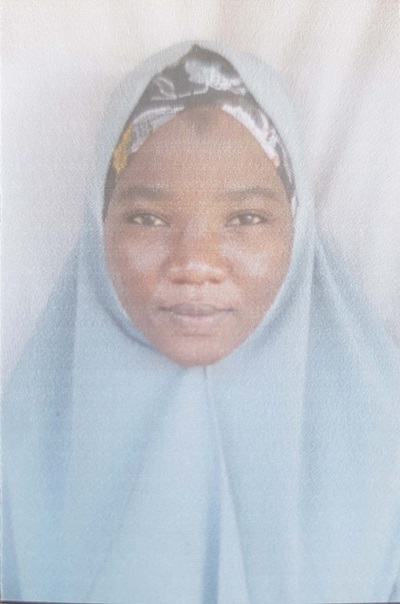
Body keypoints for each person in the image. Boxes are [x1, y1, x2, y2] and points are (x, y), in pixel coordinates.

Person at [2, 41, 400, 604]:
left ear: (298, 229)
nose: (194, 263)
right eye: (148, 218)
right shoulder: (23, 444)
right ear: (99, 224)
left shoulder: (385, 439)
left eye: (245, 218)